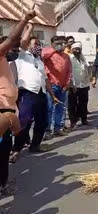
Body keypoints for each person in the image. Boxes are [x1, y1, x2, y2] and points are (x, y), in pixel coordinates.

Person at [10, 24, 61, 160]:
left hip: (41, 93)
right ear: (28, 45)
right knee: (24, 122)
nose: (38, 46)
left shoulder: (39, 61)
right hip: (27, 93)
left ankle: (35, 145)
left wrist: (52, 95)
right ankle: (16, 149)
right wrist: (30, 27)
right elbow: (23, 41)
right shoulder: (22, 55)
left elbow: (46, 79)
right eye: (35, 43)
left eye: (39, 44)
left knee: (42, 122)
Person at [0, 5, 36, 194]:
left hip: (8, 109)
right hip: (2, 112)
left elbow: (17, 42)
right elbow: (13, 39)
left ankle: (3, 184)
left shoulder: (7, 57)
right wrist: (24, 18)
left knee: (4, 149)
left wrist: (28, 27)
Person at [42, 36, 72, 140]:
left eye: (64, 43)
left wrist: (67, 83)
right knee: (49, 109)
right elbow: (43, 56)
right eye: (59, 43)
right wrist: (54, 49)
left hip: (62, 86)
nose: (62, 45)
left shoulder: (66, 57)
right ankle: (47, 131)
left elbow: (69, 71)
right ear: (53, 43)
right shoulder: (48, 52)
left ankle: (57, 128)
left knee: (60, 108)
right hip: (51, 85)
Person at [68, 42, 90, 128]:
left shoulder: (83, 58)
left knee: (83, 103)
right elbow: (68, 72)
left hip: (84, 84)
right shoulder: (69, 58)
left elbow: (87, 69)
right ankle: (73, 121)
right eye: (75, 49)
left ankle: (84, 120)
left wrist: (89, 81)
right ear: (72, 49)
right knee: (72, 104)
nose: (77, 50)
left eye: (79, 49)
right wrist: (71, 84)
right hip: (73, 85)